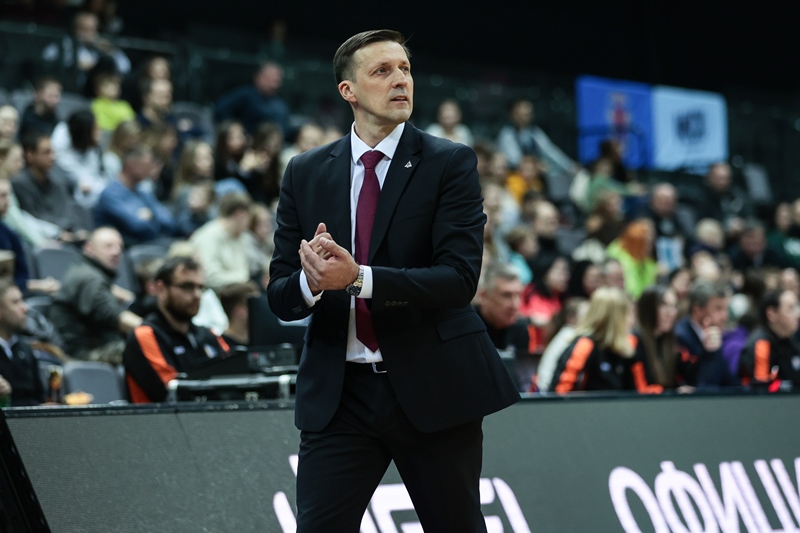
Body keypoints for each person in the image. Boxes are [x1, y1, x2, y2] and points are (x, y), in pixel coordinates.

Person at [266, 30, 519, 532]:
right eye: (382, 71)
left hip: (431, 384)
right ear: (348, 91)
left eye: (404, 69)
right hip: (340, 396)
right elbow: (280, 295)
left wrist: (357, 278)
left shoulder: (450, 162)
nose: (400, 80)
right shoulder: (305, 172)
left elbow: (458, 280)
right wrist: (313, 282)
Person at [123, 256, 230, 403]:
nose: (197, 295)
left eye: (200, 288)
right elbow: (172, 393)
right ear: (161, 289)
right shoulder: (146, 335)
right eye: (187, 287)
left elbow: (234, 377)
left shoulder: (208, 334)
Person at [49, 227, 142, 362]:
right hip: (82, 356)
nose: (116, 252)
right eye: (108, 246)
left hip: (94, 348)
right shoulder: (89, 278)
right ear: (89, 248)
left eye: (120, 247)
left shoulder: (85, 271)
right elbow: (113, 315)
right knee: (139, 348)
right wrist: (155, 331)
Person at [550, 286, 662, 393]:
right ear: (614, 318)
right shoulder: (585, 345)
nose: (632, 320)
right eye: (629, 314)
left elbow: (642, 390)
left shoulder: (630, 345)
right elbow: (561, 391)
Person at [94, 146, 183, 245]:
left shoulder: (143, 191)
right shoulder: (111, 194)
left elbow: (169, 220)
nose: (149, 169)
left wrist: (151, 215)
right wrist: (154, 218)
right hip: (125, 248)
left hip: (151, 243)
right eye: (146, 165)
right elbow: (138, 226)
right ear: (131, 165)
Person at [13, 132, 90, 243]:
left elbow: (69, 212)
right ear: (29, 155)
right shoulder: (19, 184)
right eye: (46, 152)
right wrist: (62, 234)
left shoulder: (57, 182)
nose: (53, 157)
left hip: (69, 237)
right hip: (44, 241)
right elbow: (35, 218)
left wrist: (77, 232)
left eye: (53, 152)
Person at [474, 262, 533, 391]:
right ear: (484, 296)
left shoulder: (520, 330)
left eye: (518, 295)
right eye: (506, 295)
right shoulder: (468, 328)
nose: (515, 304)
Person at [674, 279, 737, 389]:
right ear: (697, 310)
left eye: (725, 309)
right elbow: (698, 386)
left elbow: (730, 382)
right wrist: (708, 352)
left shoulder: (715, 333)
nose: (725, 316)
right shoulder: (680, 337)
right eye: (718, 309)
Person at [190, 192, 255, 290]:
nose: (249, 224)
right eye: (248, 218)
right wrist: (243, 279)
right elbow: (209, 277)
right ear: (240, 215)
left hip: (236, 291)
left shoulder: (240, 236)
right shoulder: (208, 236)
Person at [739, 289, 800, 391]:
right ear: (771, 314)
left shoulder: (791, 341)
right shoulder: (761, 346)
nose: (798, 315)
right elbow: (761, 389)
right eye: (791, 308)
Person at [0, 278, 46, 406]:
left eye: (22, 300)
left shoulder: (25, 349)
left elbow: (39, 397)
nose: (25, 308)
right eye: (15, 302)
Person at [214, 62, 292, 136]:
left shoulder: (281, 106)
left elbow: (285, 130)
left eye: (276, 81)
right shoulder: (245, 95)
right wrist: (237, 133)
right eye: (269, 79)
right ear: (258, 77)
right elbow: (221, 110)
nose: (273, 84)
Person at [636, 285, 681, 390]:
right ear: (649, 308)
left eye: (673, 306)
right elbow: (639, 389)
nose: (670, 313)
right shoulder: (636, 342)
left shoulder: (670, 342)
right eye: (664, 305)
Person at [217, 281, 261, 349]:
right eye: (256, 305)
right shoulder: (220, 347)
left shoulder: (262, 341)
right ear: (241, 310)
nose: (261, 310)